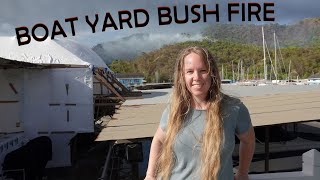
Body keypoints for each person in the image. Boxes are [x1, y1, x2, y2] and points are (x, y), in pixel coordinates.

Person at [145, 46, 255, 180]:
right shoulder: (174, 110)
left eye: (203, 70)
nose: (196, 77)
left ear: (212, 72)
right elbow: (158, 140)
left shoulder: (234, 108)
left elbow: (248, 141)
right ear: (182, 76)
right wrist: (150, 175)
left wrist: (242, 173)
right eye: (190, 71)